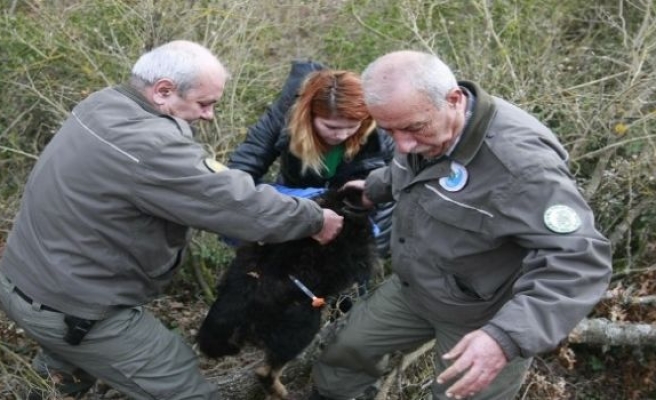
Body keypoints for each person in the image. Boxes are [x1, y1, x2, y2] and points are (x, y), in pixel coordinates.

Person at [0, 40, 344, 400]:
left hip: (27, 282)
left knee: (66, 369)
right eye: (204, 103)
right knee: (179, 380)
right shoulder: (151, 146)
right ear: (163, 91)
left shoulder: (103, 103)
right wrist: (314, 218)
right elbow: (237, 205)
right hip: (75, 307)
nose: (209, 115)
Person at [309, 50, 613, 400]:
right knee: (344, 354)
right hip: (416, 286)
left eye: (412, 129)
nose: (403, 143)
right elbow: (411, 171)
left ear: (453, 100)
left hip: (483, 314)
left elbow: (579, 260)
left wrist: (504, 338)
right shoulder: (422, 122)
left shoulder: (521, 167)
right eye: (390, 130)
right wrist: (373, 189)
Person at [227, 60, 395, 259]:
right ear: (309, 115)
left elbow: (392, 187)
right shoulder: (285, 114)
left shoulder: (380, 128)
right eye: (331, 127)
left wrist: (373, 252)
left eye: (352, 126)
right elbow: (243, 167)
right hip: (299, 205)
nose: (342, 135)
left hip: (356, 212)